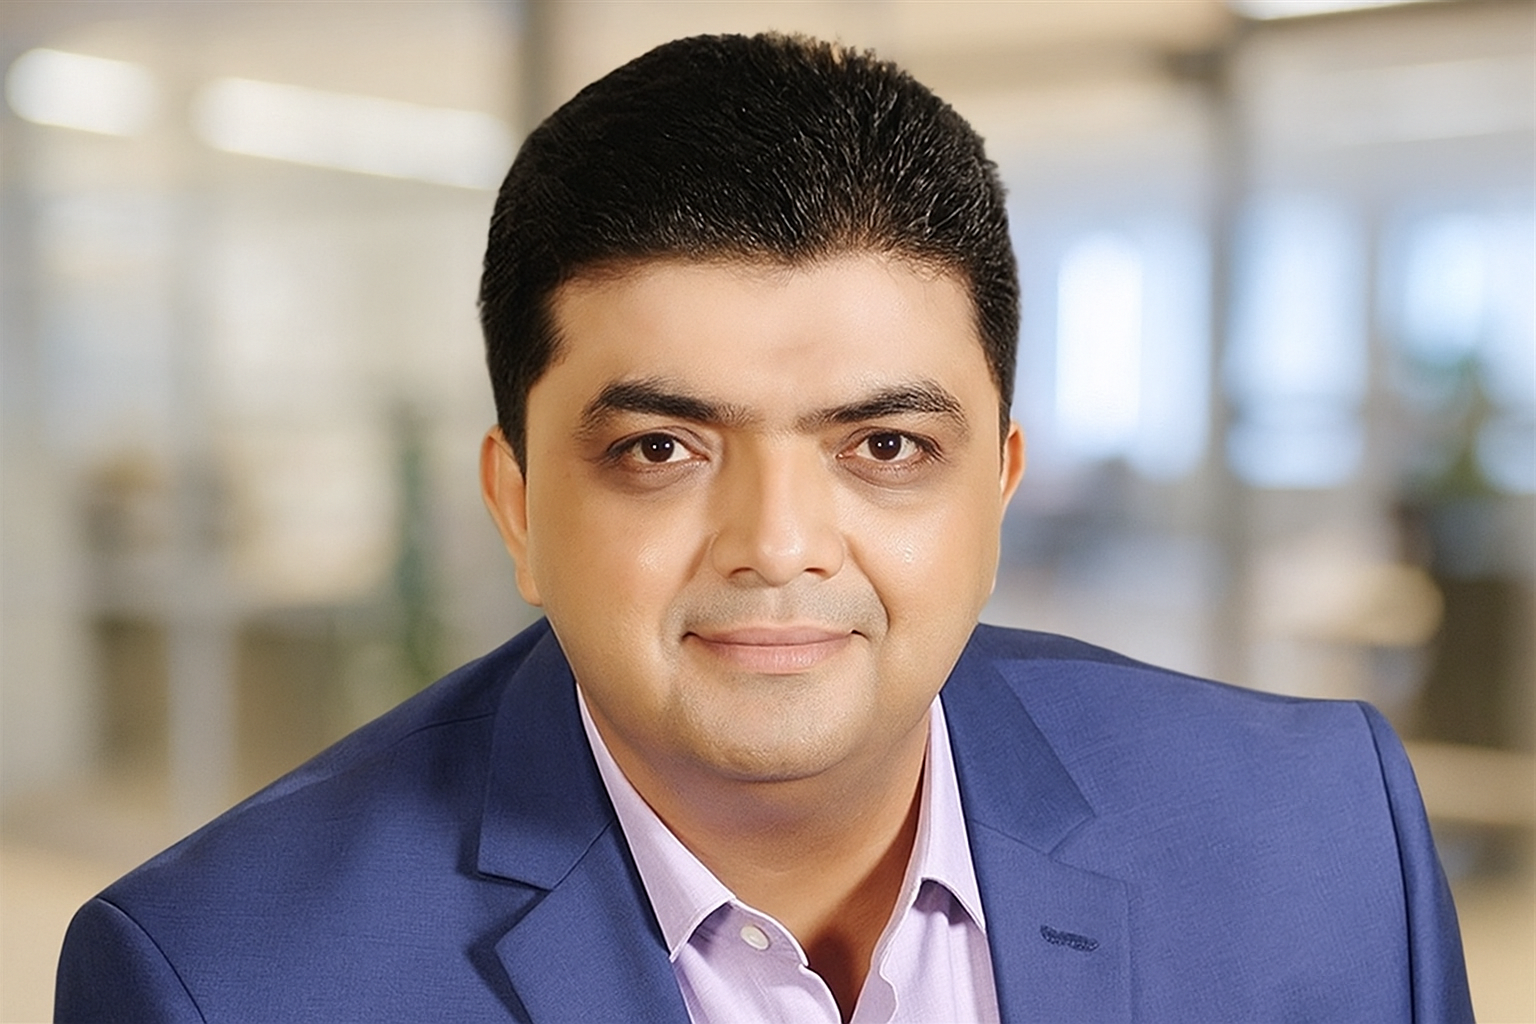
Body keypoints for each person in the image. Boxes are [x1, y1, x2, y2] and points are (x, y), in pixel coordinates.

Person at [56, 32, 1471, 1024]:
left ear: (999, 487)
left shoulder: (1321, 836)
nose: (779, 544)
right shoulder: (219, 980)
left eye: (887, 446)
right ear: (517, 505)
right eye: (661, 449)